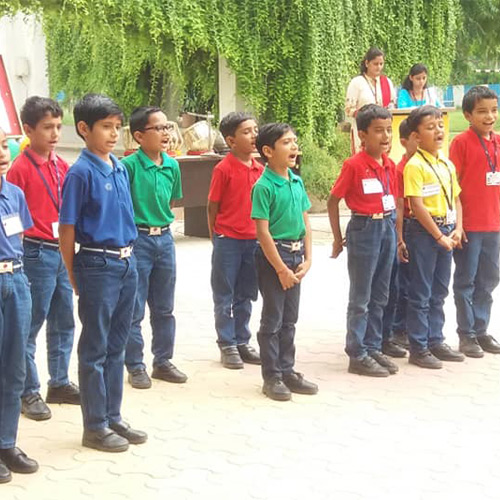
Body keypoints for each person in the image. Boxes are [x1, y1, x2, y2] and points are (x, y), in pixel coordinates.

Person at [59, 94, 146, 452]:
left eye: (117, 127)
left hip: (127, 262)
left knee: (117, 345)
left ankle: (113, 416)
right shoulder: (80, 173)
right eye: (106, 127)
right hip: (97, 263)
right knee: (95, 348)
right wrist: (72, 273)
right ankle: (94, 425)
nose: (113, 134)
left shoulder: (119, 167)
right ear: (84, 128)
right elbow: (67, 228)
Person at [7, 96, 79, 422]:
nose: (55, 134)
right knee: (30, 324)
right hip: (35, 252)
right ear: (28, 130)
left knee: (64, 320)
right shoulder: (19, 170)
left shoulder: (61, 166)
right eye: (47, 127)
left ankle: (59, 382)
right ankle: (28, 390)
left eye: (58, 127)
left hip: (61, 250)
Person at [328, 104, 398, 377]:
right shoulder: (354, 165)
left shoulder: (389, 165)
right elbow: (333, 201)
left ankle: (373, 346)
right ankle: (357, 353)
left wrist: (397, 236)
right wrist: (337, 238)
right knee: (362, 295)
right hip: (364, 227)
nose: (386, 136)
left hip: (387, 226)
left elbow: (394, 200)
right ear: (362, 135)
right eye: (379, 131)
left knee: (381, 293)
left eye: (389, 130)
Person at [251, 122, 317, 401]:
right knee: (273, 319)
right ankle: (272, 376)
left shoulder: (296, 181)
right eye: (286, 142)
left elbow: (306, 222)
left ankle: (287, 370)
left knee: (290, 318)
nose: (294, 146)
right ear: (268, 151)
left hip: (296, 254)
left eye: (294, 141)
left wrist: (308, 259)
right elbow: (263, 232)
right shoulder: (263, 186)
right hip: (274, 257)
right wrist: (280, 269)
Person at [122, 106, 187, 389]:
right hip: (138, 240)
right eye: (158, 128)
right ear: (139, 136)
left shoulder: (172, 165)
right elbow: (122, 206)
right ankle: (135, 366)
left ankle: (163, 361)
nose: (166, 133)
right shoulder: (128, 167)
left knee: (164, 307)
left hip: (165, 239)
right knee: (134, 308)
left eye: (167, 127)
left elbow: (171, 202)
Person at [403, 105, 464, 369]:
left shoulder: (446, 163)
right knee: (421, 291)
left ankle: (435, 339)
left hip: (448, 231)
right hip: (425, 233)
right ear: (416, 136)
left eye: (440, 125)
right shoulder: (415, 166)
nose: (438, 131)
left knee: (440, 290)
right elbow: (416, 205)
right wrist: (439, 236)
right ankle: (418, 347)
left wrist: (458, 228)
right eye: (430, 127)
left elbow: (456, 198)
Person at [207, 112, 262, 369]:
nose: (254, 136)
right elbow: (213, 206)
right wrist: (216, 236)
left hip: (254, 241)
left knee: (246, 294)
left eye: (255, 130)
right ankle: (226, 344)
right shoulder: (223, 169)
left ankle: (242, 341)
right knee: (224, 294)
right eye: (246, 132)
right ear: (230, 140)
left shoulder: (261, 170)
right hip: (228, 240)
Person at [0, 126, 38, 483]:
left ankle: (7, 443)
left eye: (2, 145)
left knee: (14, 367)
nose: (1, 153)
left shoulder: (14, 194)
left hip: (15, 280)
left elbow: (20, 237)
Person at [450, 86, 500, 357]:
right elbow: (452, 185)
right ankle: (466, 334)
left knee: (489, 279)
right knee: (466, 281)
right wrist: (458, 225)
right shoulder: (461, 143)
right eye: (482, 111)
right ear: (468, 115)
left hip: (494, 225)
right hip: (470, 225)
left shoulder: (498, 141)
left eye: (493, 110)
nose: (489, 116)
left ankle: (481, 330)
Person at [392, 119, 418, 349]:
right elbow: (399, 206)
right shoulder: (401, 169)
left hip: (428, 227)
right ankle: (399, 329)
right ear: (404, 141)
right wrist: (399, 238)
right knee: (404, 282)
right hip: (408, 226)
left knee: (420, 282)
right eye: (416, 138)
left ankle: (416, 328)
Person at [345, 47, 396, 153]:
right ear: (367, 63)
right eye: (375, 64)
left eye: (381, 64)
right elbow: (349, 109)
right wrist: (367, 116)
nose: (379, 67)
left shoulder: (386, 82)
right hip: (364, 129)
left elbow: (392, 104)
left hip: (383, 129)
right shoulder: (357, 82)